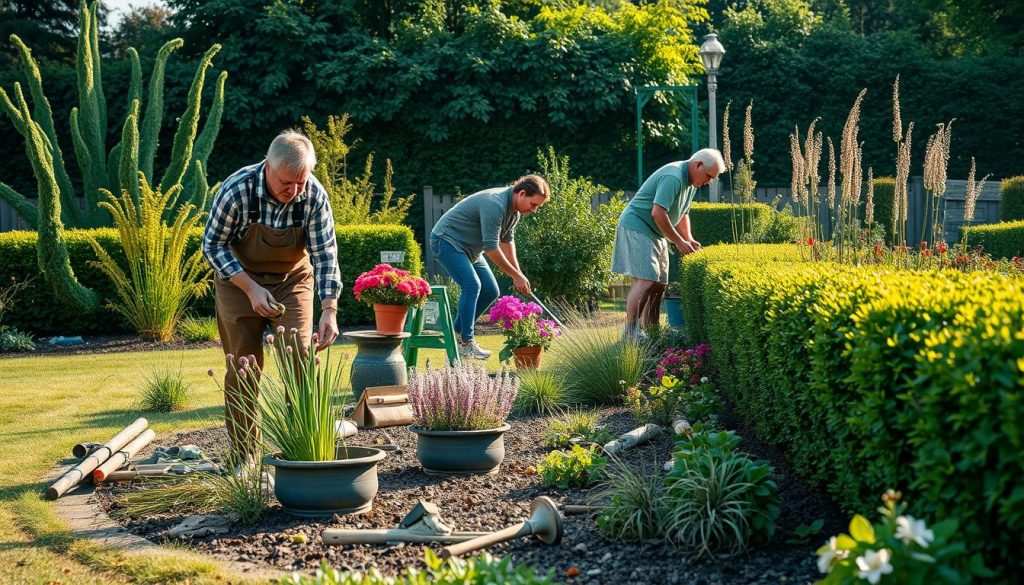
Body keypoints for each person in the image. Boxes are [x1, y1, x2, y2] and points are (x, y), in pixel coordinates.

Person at [202, 129, 341, 455]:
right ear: (269, 166)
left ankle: (305, 450)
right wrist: (251, 289)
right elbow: (211, 245)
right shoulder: (237, 190)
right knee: (243, 366)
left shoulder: (314, 196)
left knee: (302, 359)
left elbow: (325, 254)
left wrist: (330, 310)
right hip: (238, 281)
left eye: (301, 182)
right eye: (286, 183)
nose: (294, 191)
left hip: (292, 282)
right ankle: (244, 456)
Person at [430, 175, 551, 359]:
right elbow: (492, 248)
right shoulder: (495, 205)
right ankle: (466, 343)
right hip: (446, 241)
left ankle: (455, 335)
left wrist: (518, 274)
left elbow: (507, 242)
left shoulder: (514, 213)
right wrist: (515, 276)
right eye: (534, 204)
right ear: (522, 193)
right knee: (472, 286)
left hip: (470, 249)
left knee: (491, 291)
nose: (534, 210)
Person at [612, 149, 724, 339]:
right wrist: (679, 242)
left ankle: (652, 331)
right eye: (708, 176)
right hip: (638, 225)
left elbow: (682, 213)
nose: (708, 182)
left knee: (659, 284)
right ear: (697, 165)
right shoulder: (674, 176)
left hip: (654, 231)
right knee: (646, 280)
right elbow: (658, 213)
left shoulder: (691, 184)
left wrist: (687, 237)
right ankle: (631, 332)